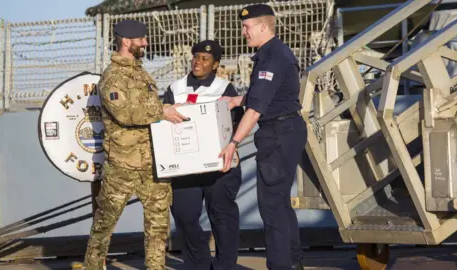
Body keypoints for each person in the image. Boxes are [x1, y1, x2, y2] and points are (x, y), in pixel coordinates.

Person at [82, 19, 187, 270]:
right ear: (126, 42)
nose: (146, 43)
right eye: (141, 40)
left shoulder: (141, 72)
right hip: (122, 167)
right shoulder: (112, 77)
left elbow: (146, 111)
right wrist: (163, 111)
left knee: (158, 226)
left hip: (153, 164)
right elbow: (126, 113)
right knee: (104, 224)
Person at [218, 4, 307, 270]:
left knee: (271, 207)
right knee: (279, 204)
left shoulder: (271, 58)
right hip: (285, 131)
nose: (243, 32)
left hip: (278, 134)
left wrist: (233, 143)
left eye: (246, 27)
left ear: (262, 26)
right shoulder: (273, 53)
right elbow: (267, 93)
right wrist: (238, 99)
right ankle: (294, 262)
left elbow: (256, 110)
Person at [162, 40, 245, 270]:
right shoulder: (175, 88)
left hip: (220, 166)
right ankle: (198, 264)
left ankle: (224, 266)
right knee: (184, 215)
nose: (198, 62)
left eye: (205, 59)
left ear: (215, 64)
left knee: (222, 216)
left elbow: (237, 122)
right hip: (185, 167)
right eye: (196, 57)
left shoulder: (225, 88)